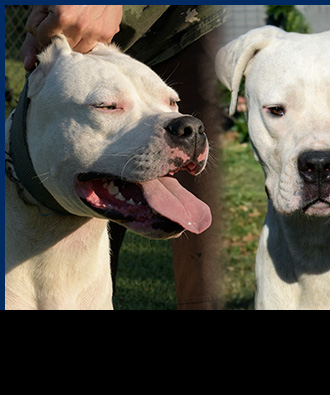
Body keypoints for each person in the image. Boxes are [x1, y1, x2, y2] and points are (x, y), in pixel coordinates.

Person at [20, 5, 226, 310]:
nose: (182, 121)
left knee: (204, 277)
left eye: (171, 103)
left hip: (185, 22)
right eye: (108, 105)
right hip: (85, 25)